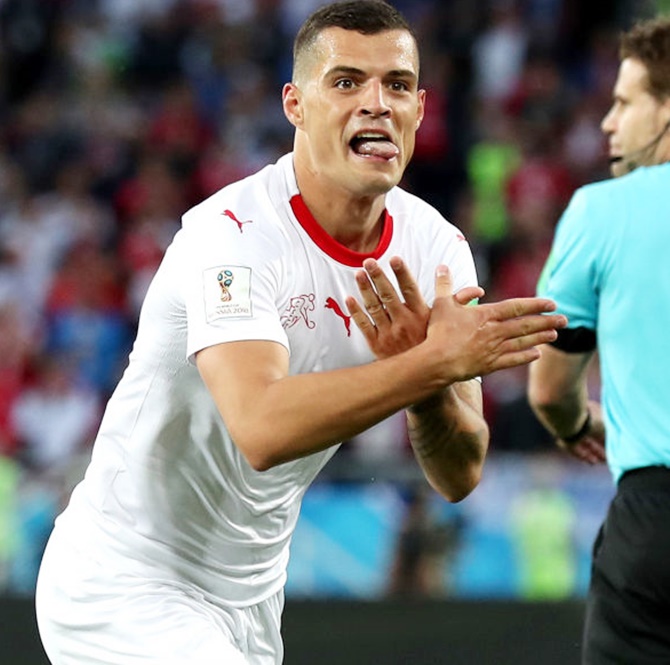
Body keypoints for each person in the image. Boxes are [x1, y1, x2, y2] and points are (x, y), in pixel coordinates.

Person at [35, 2, 566, 664]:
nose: (376, 102)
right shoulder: (230, 236)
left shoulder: (437, 249)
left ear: (421, 109)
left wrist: (430, 382)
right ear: (295, 104)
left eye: (396, 84)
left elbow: (459, 474)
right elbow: (261, 426)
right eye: (346, 82)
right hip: (123, 578)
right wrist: (429, 364)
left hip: (252, 602)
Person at [527, 16, 670, 665]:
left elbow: (550, 387)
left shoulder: (600, 211)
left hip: (654, 521)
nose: (609, 123)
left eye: (624, 102)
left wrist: (574, 424)